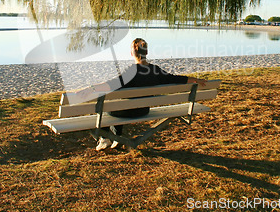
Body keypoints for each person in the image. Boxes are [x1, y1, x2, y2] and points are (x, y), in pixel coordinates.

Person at [76, 38, 207, 151]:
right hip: (144, 110)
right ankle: (115, 139)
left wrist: (91, 88)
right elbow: (176, 79)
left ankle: (105, 138)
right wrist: (195, 80)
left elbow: (111, 84)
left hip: (128, 111)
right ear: (147, 53)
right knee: (118, 105)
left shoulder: (131, 72)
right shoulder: (155, 70)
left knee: (108, 108)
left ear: (132, 53)